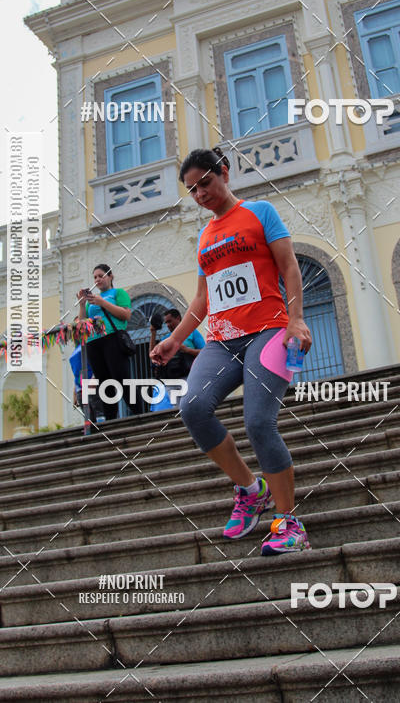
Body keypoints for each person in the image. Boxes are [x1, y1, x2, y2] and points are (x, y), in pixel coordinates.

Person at [151, 147, 312, 555]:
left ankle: (289, 521)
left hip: (270, 330)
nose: (201, 194)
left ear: (224, 172)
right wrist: (174, 339)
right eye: (192, 190)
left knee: (258, 421)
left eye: (206, 182)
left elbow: (290, 266)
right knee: (192, 407)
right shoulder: (205, 236)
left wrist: (296, 319)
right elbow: (203, 299)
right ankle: (249, 489)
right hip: (222, 341)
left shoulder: (260, 212)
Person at [77, 264, 137, 418]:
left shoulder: (118, 293)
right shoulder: (92, 301)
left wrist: (102, 302)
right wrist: (83, 304)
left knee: (121, 378)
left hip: (112, 338)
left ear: (110, 277)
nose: (97, 279)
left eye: (101, 275)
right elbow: (83, 323)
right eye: (95, 277)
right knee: (104, 383)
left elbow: (126, 315)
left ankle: (140, 412)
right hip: (94, 342)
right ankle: (111, 419)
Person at [149, 308, 205, 380]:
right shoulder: (166, 339)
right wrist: (153, 333)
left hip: (191, 375)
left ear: (178, 318)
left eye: (169, 321)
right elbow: (153, 355)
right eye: (166, 322)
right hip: (172, 379)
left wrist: (186, 350)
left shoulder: (192, 332)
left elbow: (204, 352)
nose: (168, 325)